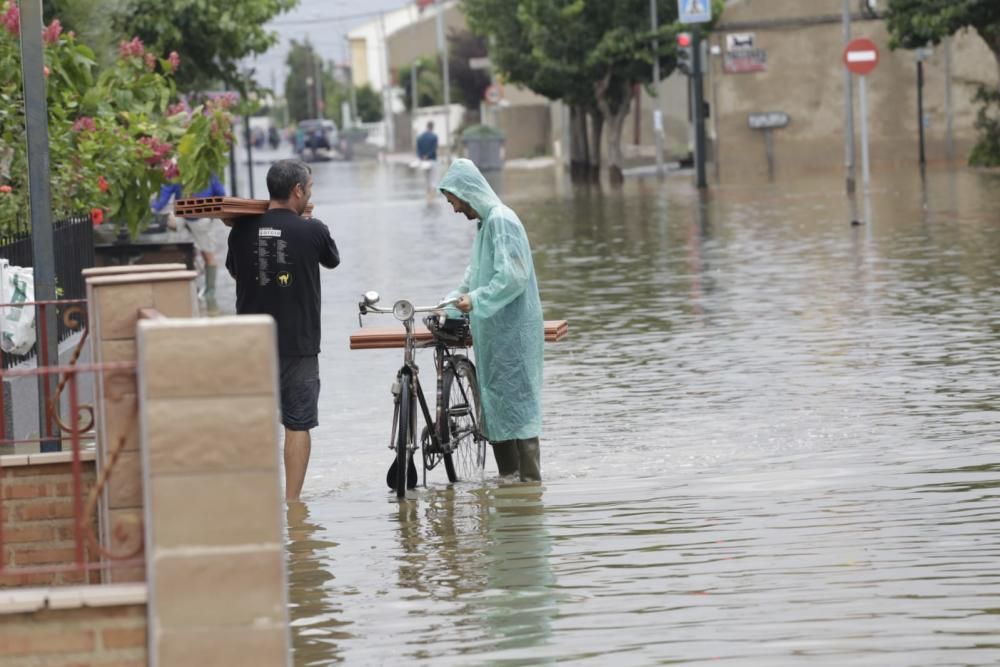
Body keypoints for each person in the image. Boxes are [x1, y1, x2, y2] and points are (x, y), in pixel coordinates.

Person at [225, 159, 340, 500]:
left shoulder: (240, 230)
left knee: (253, 421)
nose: (310, 194)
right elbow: (332, 260)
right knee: (298, 422)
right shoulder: (313, 230)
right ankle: (292, 504)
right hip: (299, 343)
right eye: (310, 187)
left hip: (251, 341)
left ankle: (255, 499)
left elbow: (236, 273)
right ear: (297, 190)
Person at [438, 158, 544, 482]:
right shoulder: (485, 226)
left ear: (467, 192)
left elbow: (513, 276)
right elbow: (474, 276)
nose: (455, 209)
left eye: (454, 200)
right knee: (497, 407)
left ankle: (529, 490)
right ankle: (509, 484)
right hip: (494, 334)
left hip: (514, 333)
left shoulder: (501, 220)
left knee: (519, 408)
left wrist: (477, 300)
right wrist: (450, 303)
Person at [151, 173, 226, 314]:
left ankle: (204, 291)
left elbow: (165, 195)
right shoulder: (198, 171)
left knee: (202, 254)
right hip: (192, 216)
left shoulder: (192, 171)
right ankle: (205, 291)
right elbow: (221, 194)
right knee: (203, 254)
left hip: (195, 218)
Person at [415, 121, 439, 196]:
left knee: (427, 178)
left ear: (427, 126)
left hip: (423, 161)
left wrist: (421, 156)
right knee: (433, 179)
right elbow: (434, 148)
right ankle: (433, 196)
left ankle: (428, 195)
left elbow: (418, 149)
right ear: (432, 127)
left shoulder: (420, 137)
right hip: (432, 160)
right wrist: (428, 155)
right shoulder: (434, 137)